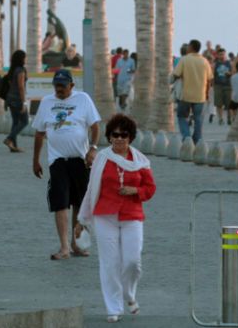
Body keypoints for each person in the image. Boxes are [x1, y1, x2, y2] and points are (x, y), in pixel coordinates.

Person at [76, 114, 156, 323]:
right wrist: (82, 220)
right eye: (115, 135)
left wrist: (135, 190)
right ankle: (114, 307)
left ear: (131, 137)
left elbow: (150, 188)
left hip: (132, 216)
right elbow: (91, 190)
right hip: (104, 216)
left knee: (132, 261)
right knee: (109, 264)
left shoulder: (140, 161)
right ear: (109, 137)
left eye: (124, 135)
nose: (119, 139)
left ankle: (129, 294)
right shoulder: (102, 158)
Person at [31, 69, 101, 260]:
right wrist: (35, 160)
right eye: (56, 86)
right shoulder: (47, 102)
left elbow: (95, 126)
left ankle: (76, 244)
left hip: (80, 159)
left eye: (63, 86)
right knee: (60, 203)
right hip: (57, 160)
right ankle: (63, 247)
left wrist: (93, 149)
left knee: (79, 202)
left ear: (72, 85)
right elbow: (39, 133)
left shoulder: (83, 99)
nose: (59, 90)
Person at [172, 39, 213, 144]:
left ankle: (186, 137)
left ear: (191, 47)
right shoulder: (204, 61)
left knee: (181, 116)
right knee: (198, 118)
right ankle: (197, 139)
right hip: (200, 96)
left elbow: (176, 74)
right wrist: (207, 94)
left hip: (185, 95)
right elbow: (210, 79)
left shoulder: (184, 60)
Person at [3, 50, 29, 153]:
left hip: (10, 98)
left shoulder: (12, 70)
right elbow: (21, 87)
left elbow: (10, 84)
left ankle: (13, 146)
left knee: (15, 122)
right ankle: (9, 139)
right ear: (21, 59)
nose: (26, 59)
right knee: (25, 121)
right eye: (25, 57)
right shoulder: (21, 70)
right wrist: (24, 103)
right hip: (17, 100)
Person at [212, 48, 232, 125]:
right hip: (218, 86)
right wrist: (213, 86)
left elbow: (233, 73)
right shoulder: (215, 64)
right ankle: (220, 118)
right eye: (220, 54)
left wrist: (229, 74)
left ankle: (229, 118)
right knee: (218, 104)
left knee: (229, 104)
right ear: (217, 55)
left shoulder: (229, 63)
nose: (222, 56)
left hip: (228, 85)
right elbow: (212, 75)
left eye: (223, 54)